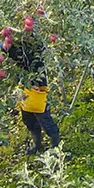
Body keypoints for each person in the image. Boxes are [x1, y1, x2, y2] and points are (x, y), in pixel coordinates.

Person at [5, 16, 61, 155]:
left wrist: (35, 82)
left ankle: (57, 148)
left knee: (43, 115)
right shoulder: (15, 43)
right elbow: (6, 51)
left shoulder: (36, 42)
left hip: (37, 83)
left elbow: (38, 60)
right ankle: (37, 145)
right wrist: (6, 42)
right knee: (28, 117)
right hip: (23, 84)